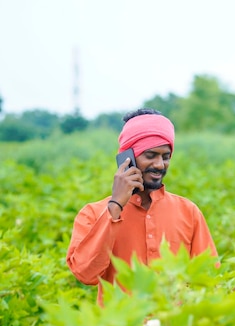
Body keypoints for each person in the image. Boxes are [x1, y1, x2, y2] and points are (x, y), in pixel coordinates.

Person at [66, 108, 218, 304]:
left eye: (166, 156)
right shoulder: (93, 213)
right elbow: (85, 274)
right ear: (127, 158)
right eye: (150, 155)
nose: (160, 164)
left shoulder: (188, 212)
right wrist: (115, 206)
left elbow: (209, 278)